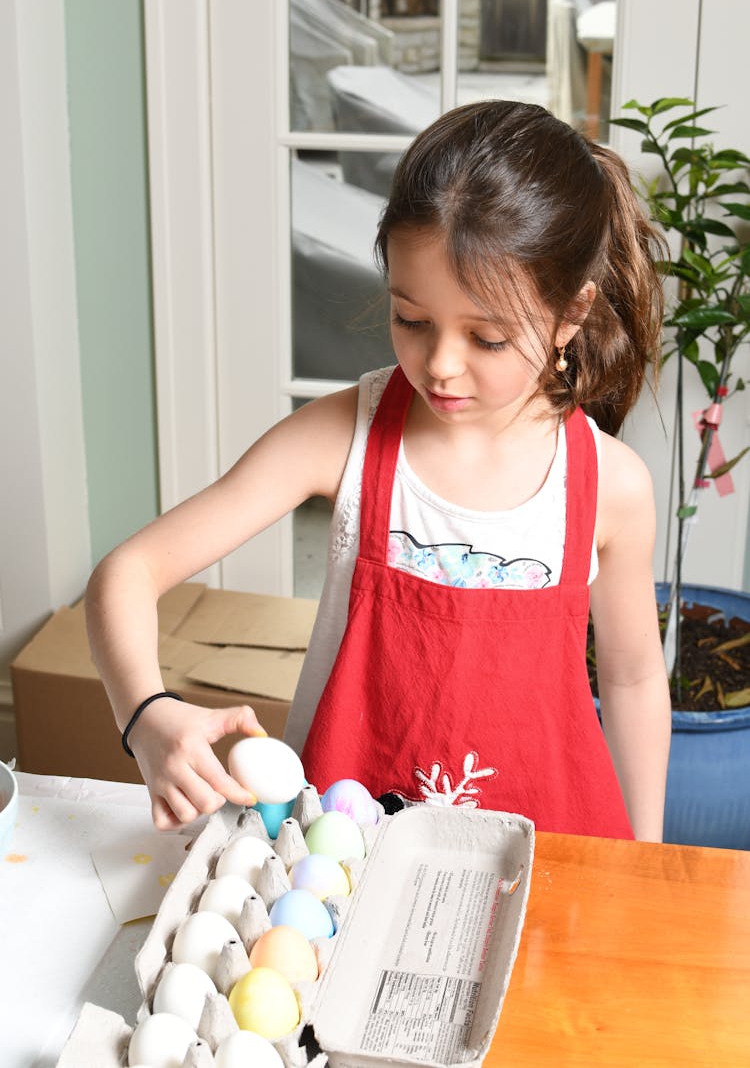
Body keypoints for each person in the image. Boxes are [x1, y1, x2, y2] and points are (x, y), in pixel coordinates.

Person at [86, 101, 672, 840]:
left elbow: (632, 678)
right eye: (412, 319)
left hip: (549, 855)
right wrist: (145, 714)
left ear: (570, 314)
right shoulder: (343, 438)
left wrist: (647, 855)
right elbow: (126, 572)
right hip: (347, 858)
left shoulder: (610, 485)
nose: (441, 364)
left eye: (487, 338)